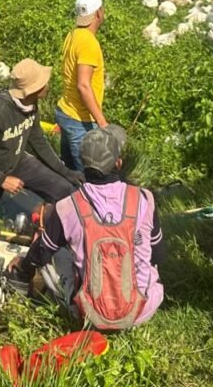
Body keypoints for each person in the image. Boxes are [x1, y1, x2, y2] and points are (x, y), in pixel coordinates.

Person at [19, 124, 165, 329]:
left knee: (53, 250)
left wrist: (22, 266)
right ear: (119, 163)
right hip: (141, 311)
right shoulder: (144, 198)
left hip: (90, 315)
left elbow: (40, 254)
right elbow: (157, 256)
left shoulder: (68, 207)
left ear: (84, 166)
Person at [0, 59, 84, 253]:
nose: (47, 85)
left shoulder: (31, 105)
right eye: (44, 83)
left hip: (16, 161)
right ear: (33, 89)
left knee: (64, 190)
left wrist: (67, 172)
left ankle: (51, 237)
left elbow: (39, 142)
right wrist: (2, 180)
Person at [55, 0, 108, 171]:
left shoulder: (74, 34)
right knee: (87, 173)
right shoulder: (89, 43)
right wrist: (102, 122)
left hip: (65, 110)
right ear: (99, 13)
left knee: (68, 169)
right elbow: (83, 85)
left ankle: (65, 198)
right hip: (80, 120)